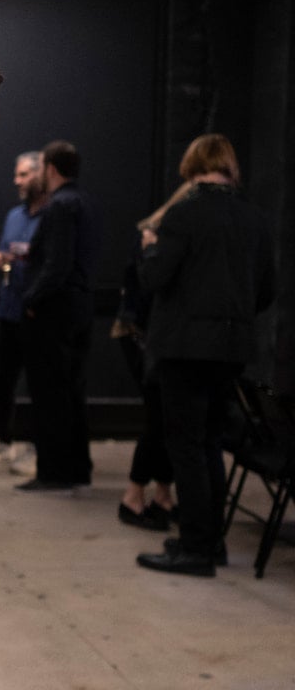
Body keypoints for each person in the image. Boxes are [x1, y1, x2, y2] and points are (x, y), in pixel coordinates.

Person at [136, 134, 274, 577]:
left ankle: (195, 548)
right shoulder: (254, 218)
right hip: (232, 348)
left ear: (193, 165)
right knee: (211, 443)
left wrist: (150, 248)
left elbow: (155, 278)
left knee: (187, 448)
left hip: (184, 348)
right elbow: (266, 290)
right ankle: (210, 542)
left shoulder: (184, 214)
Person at [17, 140, 100, 491]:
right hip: (80, 307)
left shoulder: (59, 206)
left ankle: (52, 472)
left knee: (49, 394)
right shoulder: (84, 203)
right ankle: (77, 467)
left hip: (55, 312)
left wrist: (30, 299)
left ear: (50, 169)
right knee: (72, 391)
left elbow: (57, 265)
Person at [112, 181, 192, 530]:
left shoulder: (163, 232)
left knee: (164, 418)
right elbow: (146, 291)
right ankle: (134, 496)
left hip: (153, 335)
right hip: (141, 335)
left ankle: (161, 494)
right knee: (158, 418)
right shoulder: (155, 234)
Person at [0, 150, 45, 473]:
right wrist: (2, 258)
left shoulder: (53, 216)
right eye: (17, 174)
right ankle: (2, 439)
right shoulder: (16, 215)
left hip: (39, 314)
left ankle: (39, 447)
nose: (17, 180)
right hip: (10, 308)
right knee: (3, 379)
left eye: (25, 174)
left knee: (40, 383)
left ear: (43, 175)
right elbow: (2, 252)